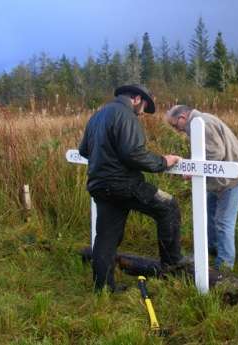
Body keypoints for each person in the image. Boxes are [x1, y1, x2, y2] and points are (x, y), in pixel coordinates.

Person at [79, 84, 185, 293]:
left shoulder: (97, 117)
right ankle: (173, 268)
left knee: (106, 237)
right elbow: (133, 154)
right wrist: (163, 161)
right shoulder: (126, 116)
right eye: (144, 105)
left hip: (99, 185)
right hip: (124, 185)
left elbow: (84, 150)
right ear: (136, 99)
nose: (144, 112)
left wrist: (107, 160)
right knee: (168, 206)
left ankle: (103, 289)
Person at [165, 105, 238, 270]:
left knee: (223, 221)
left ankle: (224, 266)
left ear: (182, 117)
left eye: (175, 125)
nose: (176, 130)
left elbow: (215, 154)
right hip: (220, 179)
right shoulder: (197, 122)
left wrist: (192, 171)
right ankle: (212, 249)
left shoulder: (202, 124)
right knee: (209, 212)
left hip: (235, 177)